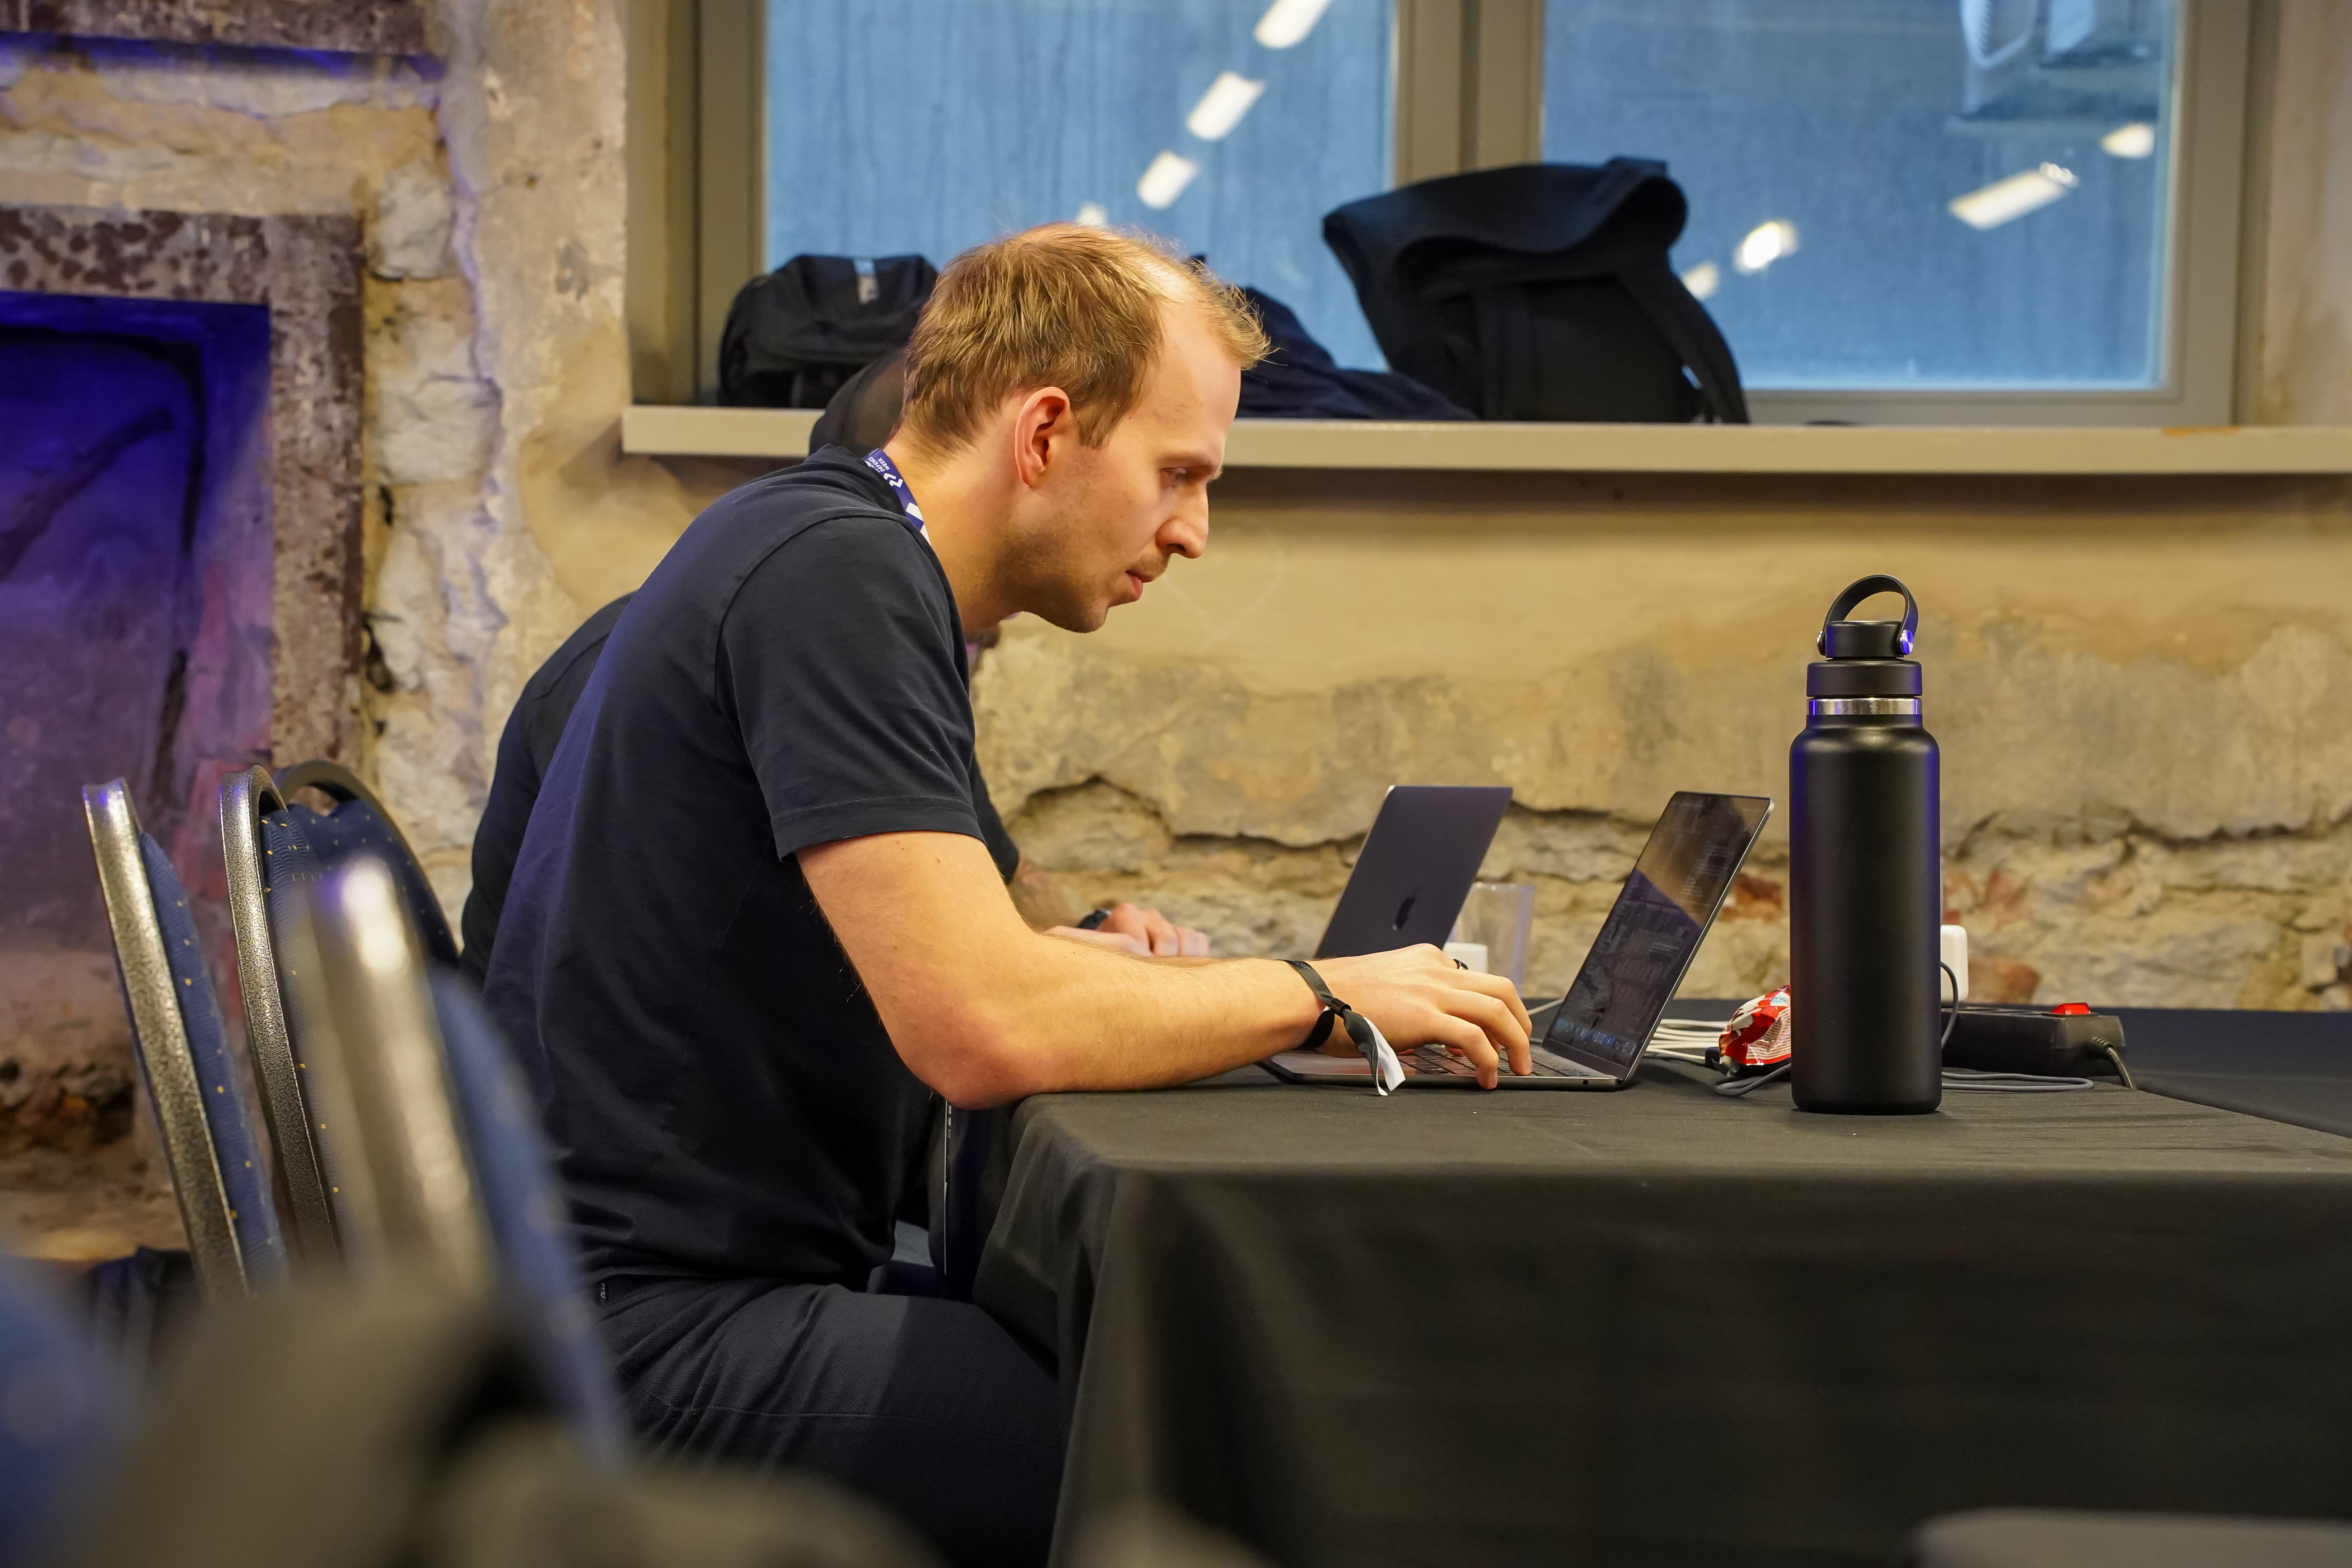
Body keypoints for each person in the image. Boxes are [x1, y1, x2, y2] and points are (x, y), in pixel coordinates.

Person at [483, 227, 1531, 1567]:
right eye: (1181, 474)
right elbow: (979, 1027)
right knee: (1231, 1452)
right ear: (1044, 433)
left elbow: (992, 945)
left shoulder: (829, 549)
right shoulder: (838, 576)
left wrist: (1218, 991)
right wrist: (1319, 996)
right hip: (654, 1332)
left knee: (1196, 1385)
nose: (1195, 532)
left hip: (661, 1291)